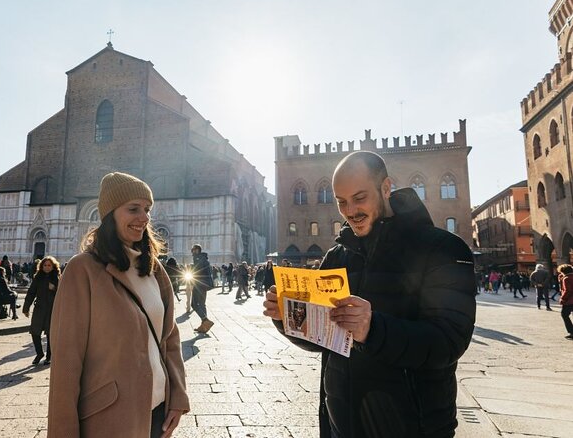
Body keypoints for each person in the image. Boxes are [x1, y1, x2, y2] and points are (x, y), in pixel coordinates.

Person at [263, 151, 476, 438]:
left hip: (414, 427)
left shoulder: (442, 249)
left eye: (359, 197)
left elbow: (448, 342)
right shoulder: (338, 256)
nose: (350, 210)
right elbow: (324, 339)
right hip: (343, 425)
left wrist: (372, 328)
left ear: (385, 188)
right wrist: (288, 317)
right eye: (341, 202)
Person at [48, 172, 188, 437]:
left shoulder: (153, 269)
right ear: (110, 214)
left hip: (158, 412)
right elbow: (67, 361)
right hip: (108, 418)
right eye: (133, 209)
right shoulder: (83, 269)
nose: (144, 217)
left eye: (147, 209)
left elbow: (170, 339)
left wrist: (178, 398)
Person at [23, 256, 60, 365]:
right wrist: (26, 307)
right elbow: (31, 292)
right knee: (34, 331)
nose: (47, 267)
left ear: (53, 267)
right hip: (39, 308)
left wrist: (54, 288)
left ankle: (49, 356)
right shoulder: (37, 278)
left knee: (50, 333)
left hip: (52, 309)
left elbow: (64, 293)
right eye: (45, 265)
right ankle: (39, 353)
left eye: (49, 265)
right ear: (41, 266)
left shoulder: (57, 278)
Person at [190, 244, 214, 334]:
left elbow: (197, 270)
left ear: (197, 250)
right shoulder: (204, 258)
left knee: (194, 304)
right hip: (204, 284)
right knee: (202, 304)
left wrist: (191, 267)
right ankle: (204, 326)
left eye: (193, 250)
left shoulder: (198, 258)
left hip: (199, 284)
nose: (192, 252)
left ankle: (205, 320)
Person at [557, 264, 573, 340]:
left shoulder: (566, 278)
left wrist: (562, 299)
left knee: (564, 314)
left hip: (569, 301)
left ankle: (571, 331)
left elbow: (568, 290)